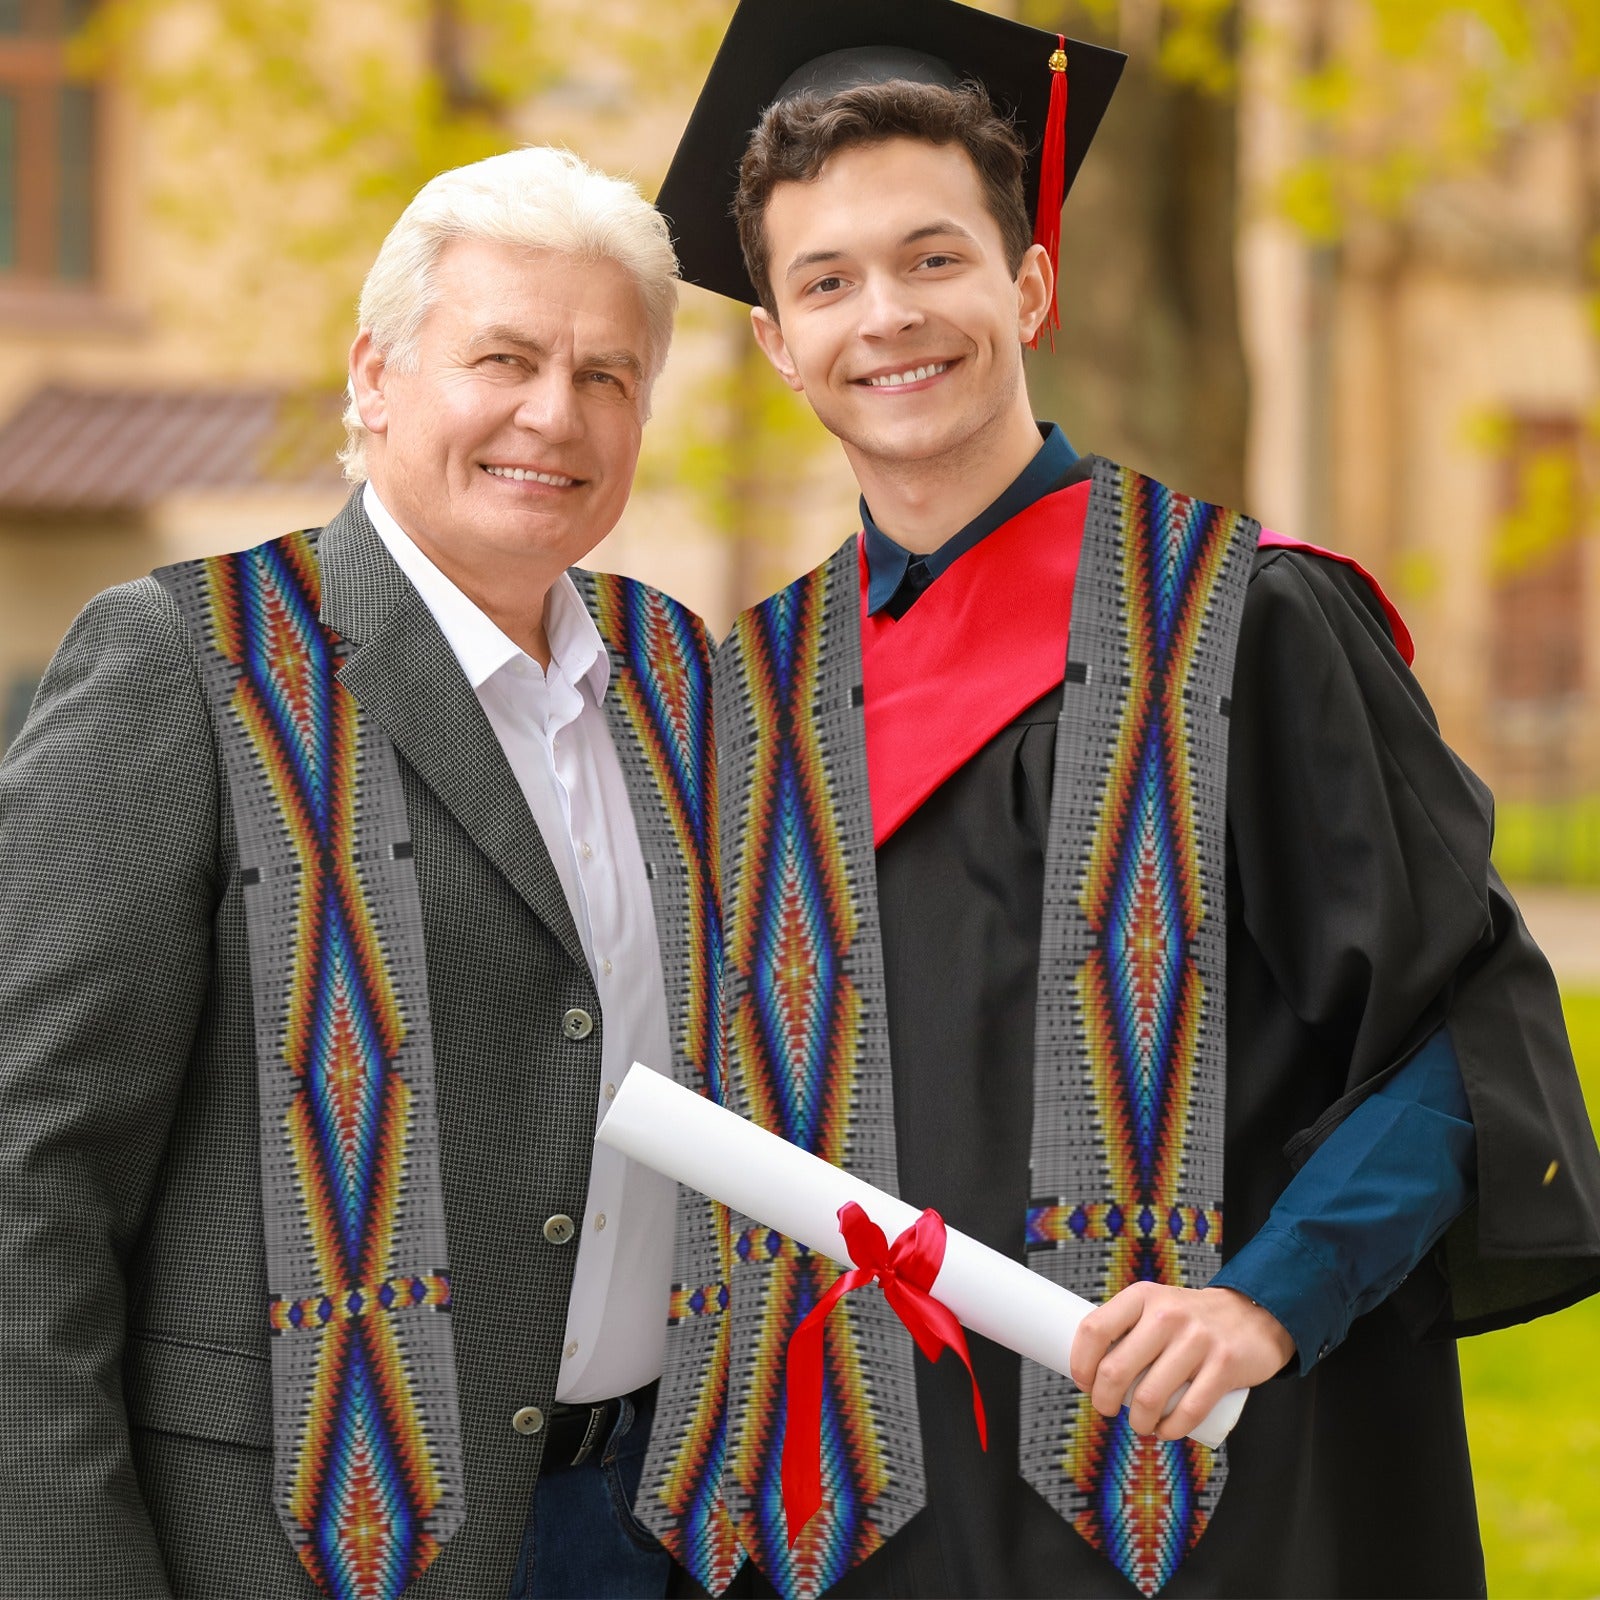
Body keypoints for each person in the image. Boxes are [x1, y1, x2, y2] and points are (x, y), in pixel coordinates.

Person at [634, 3, 1600, 1597]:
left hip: (1203, 1496)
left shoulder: (1249, 624)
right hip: (854, 1528)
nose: (887, 316)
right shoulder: (742, 701)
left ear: (1029, 282)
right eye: (827, 281)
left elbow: (1460, 1035)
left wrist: (1269, 1299)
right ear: (777, 341)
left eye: (934, 258)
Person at [0, 146, 722, 1600]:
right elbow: (28, 1176)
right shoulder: (184, 666)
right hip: (293, 1546)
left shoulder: (680, 681)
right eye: (503, 357)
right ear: (376, 377)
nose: (553, 413)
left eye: (606, 375)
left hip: (653, 1526)